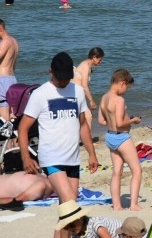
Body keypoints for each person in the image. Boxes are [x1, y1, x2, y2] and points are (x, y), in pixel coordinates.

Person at [19, 52, 99, 210]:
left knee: (68, 208)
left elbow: (83, 125)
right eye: (60, 77)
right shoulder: (40, 94)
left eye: (66, 78)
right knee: (70, 203)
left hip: (73, 158)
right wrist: (26, 158)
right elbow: (23, 128)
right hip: (51, 158)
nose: (63, 81)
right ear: (51, 72)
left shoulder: (77, 91)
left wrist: (92, 154)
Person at [98, 69, 142, 211]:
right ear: (122, 83)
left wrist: (113, 122)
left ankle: (116, 205)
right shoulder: (119, 99)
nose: (125, 91)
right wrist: (133, 120)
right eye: (127, 87)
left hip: (110, 136)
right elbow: (119, 123)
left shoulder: (104, 97)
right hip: (121, 137)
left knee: (117, 172)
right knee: (136, 170)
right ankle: (134, 204)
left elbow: (100, 120)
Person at [71, 47, 104, 132]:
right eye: (100, 60)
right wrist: (91, 101)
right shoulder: (86, 66)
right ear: (94, 57)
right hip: (74, 95)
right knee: (88, 116)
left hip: (75, 94)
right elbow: (84, 86)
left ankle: (82, 138)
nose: (101, 62)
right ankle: (87, 141)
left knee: (83, 117)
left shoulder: (86, 65)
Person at [56, 202, 123, 238]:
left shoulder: (96, 225)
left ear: (81, 218)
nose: (70, 229)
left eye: (72, 225)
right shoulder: (76, 232)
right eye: (66, 228)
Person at [0, 19, 19, 124]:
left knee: (3, 113)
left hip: (3, 79)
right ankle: (14, 139)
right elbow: (14, 64)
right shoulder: (14, 41)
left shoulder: (5, 41)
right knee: (11, 112)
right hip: (12, 79)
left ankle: (7, 138)